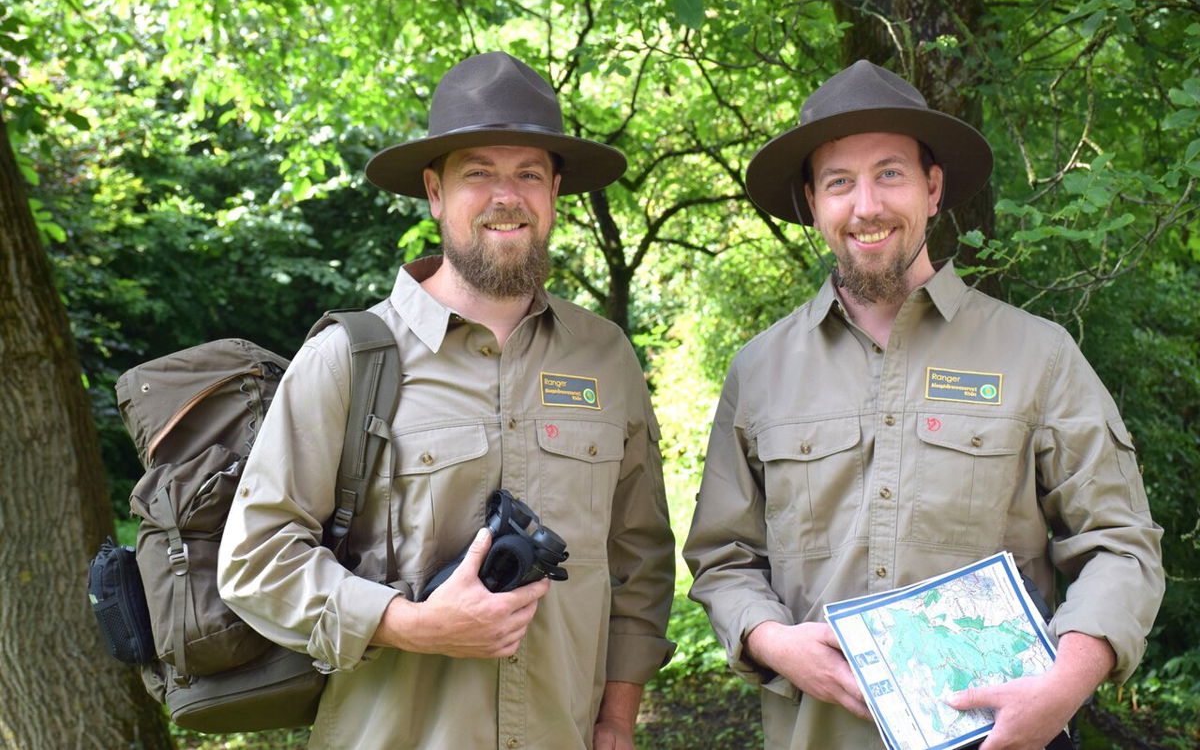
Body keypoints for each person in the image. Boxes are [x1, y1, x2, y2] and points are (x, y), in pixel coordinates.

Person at [683, 59, 1164, 750]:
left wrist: (1063, 684)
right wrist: (770, 639)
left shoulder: (1040, 354)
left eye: (890, 174)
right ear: (812, 202)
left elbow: (1120, 543)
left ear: (933, 189)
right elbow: (724, 555)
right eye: (840, 182)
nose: (867, 206)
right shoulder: (759, 371)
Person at [218, 51, 675, 750]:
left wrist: (615, 717)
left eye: (528, 173)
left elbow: (637, 558)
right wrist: (410, 623)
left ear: (554, 190)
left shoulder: (605, 356)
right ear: (435, 191)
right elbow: (254, 558)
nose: (506, 195)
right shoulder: (350, 357)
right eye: (478, 174)